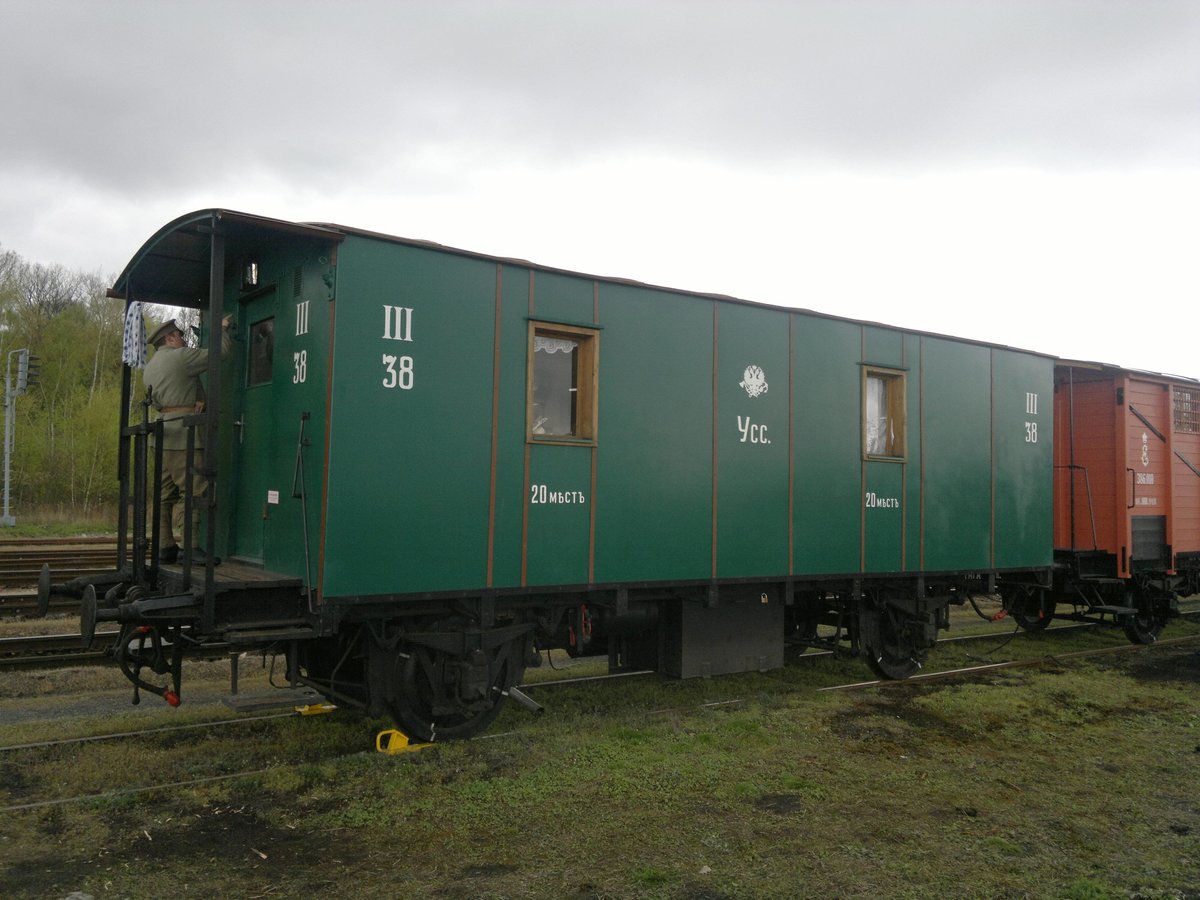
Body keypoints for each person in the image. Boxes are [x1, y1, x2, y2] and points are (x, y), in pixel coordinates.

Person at [143, 315, 232, 564]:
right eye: (180, 336)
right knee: (193, 489)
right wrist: (222, 329)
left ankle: (164, 547)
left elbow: (168, 398)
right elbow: (219, 354)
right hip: (183, 435)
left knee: (164, 493)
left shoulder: (150, 367)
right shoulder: (180, 357)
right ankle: (190, 548)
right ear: (170, 338)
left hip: (161, 433)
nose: (183, 340)